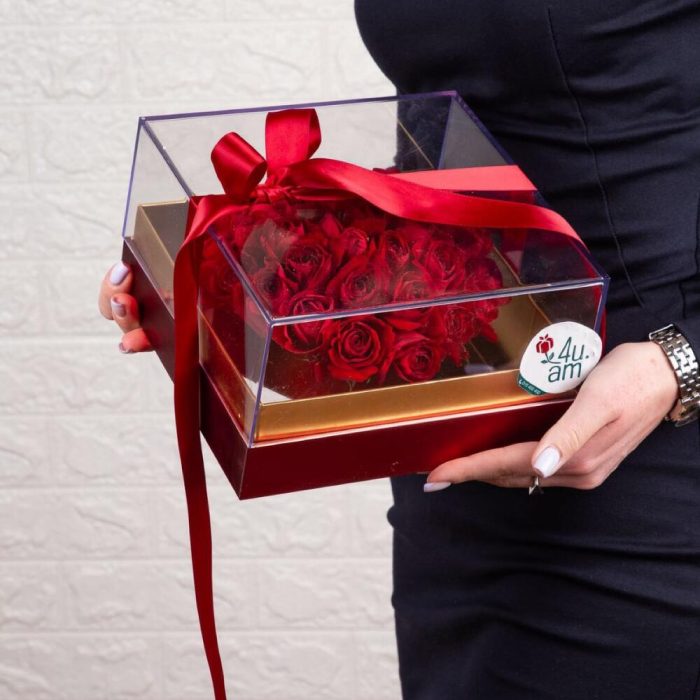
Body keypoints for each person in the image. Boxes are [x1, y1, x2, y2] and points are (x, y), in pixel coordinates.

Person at [99, 2, 700, 697]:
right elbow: (448, 138)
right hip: (458, 430)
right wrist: (236, 276)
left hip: (645, 458)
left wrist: (680, 363)